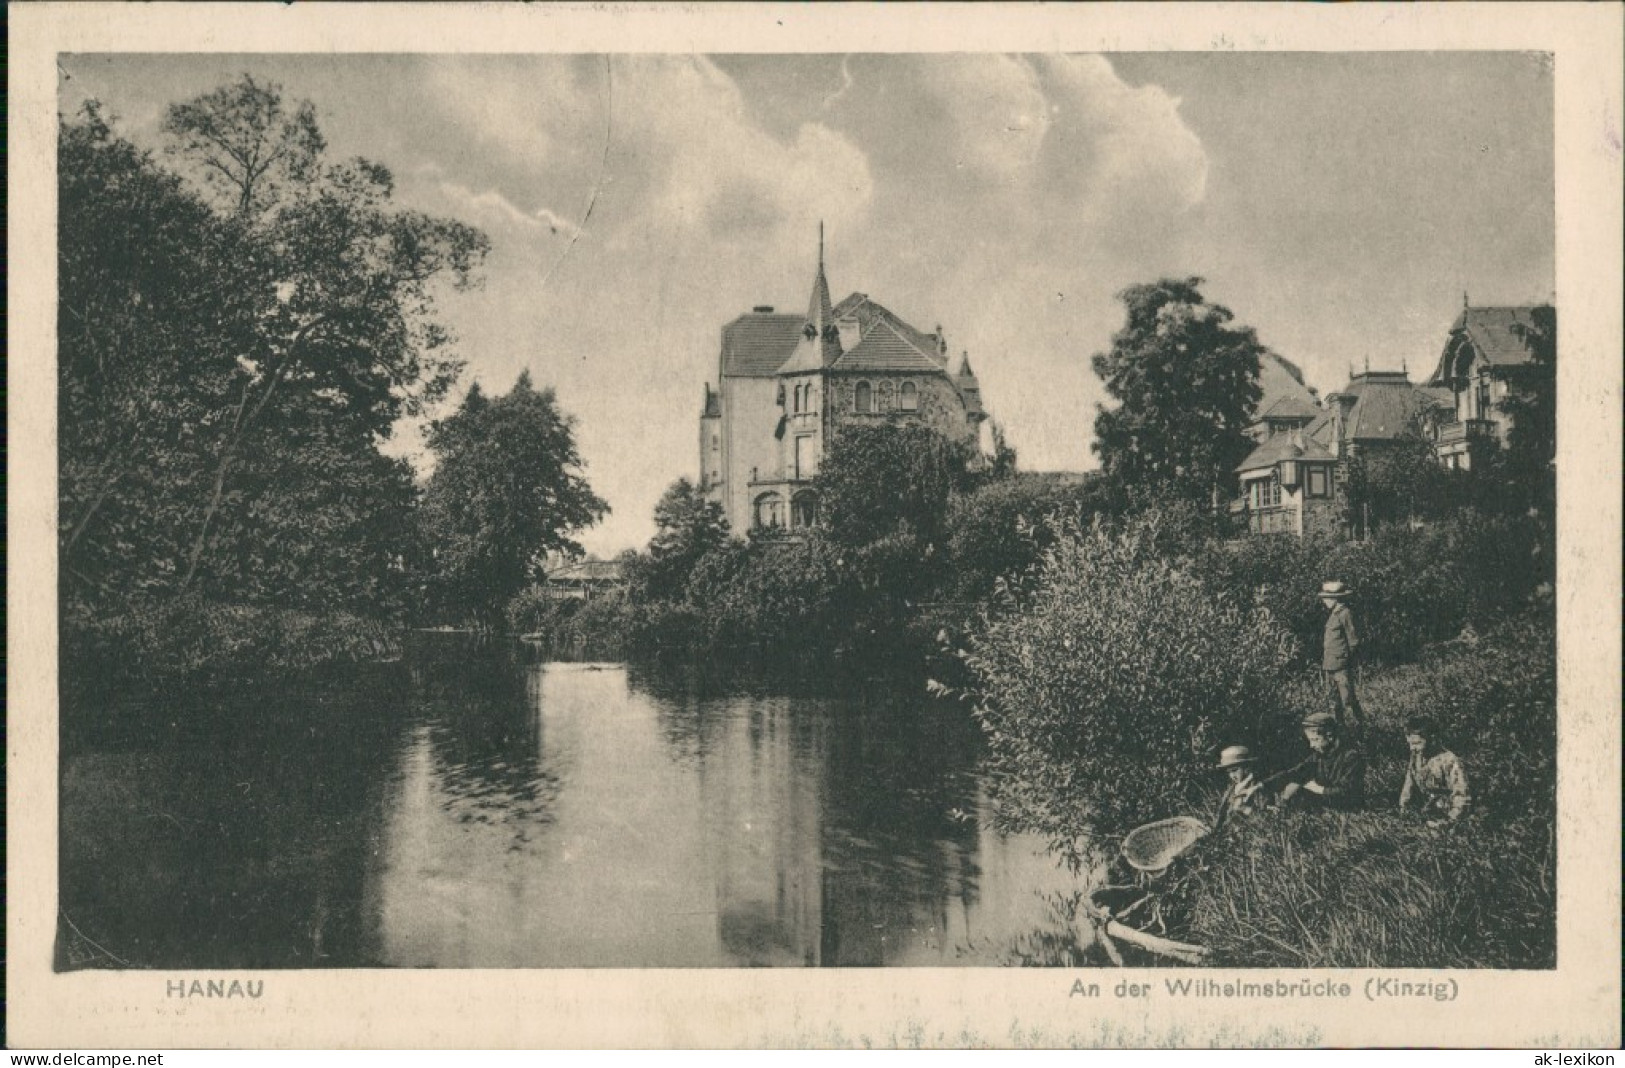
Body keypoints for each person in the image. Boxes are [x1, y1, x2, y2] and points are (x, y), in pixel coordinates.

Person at [1278, 712, 1366, 810]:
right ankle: (1282, 807)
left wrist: (1318, 789)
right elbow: (1295, 772)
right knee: (1295, 783)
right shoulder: (1318, 756)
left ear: (1330, 736)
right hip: (1326, 807)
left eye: (1315, 739)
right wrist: (1264, 784)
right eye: (1310, 740)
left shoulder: (1351, 757)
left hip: (1348, 810)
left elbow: (1348, 792)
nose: (1311, 745)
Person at [1398, 716, 1471, 825]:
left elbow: (1461, 794)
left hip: (1448, 815)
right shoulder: (1417, 757)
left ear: (1431, 739)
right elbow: (1409, 784)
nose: (1412, 748)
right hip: (1427, 811)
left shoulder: (1449, 760)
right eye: (1410, 744)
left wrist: (1451, 820)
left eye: (1417, 743)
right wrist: (1404, 808)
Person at [1319, 580, 1365, 728]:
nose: (1324, 601)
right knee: (1333, 703)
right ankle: (1339, 732)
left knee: (1348, 701)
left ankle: (1359, 730)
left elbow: (1353, 641)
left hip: (1341, 666)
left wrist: (1347, 661)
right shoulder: (1333, 614)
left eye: (1326, 598)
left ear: (1335, 598)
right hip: (1330, 665)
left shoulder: (1345, 613)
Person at [1213, 745, 1265, 828]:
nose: (1232, 775)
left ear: (1247, 767)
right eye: (1229, 772)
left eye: (1235, 770)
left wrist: (1243, 809)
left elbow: (1262, 816)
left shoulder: (1257, 786)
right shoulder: (1231, 789)